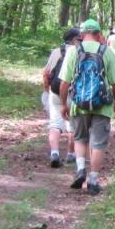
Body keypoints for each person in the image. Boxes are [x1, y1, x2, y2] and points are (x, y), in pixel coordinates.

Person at [58, 19, 115, 195]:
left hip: (78, 103)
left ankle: (80, 169)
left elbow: (64, 83)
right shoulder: (106, 51)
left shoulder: (73, 51)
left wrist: (64, 104)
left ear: (81, 34)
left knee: (80, 138)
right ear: (99, 33)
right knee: (98, 142)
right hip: (102, 104)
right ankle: (93, 180)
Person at [41, 27, 81, 166]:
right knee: (72, 125)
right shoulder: (80, 52)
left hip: (56, 92)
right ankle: (71, 154)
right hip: (74, 93)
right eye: (79, 38)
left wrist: (46, 91)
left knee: (55, 123)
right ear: (74, 39)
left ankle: (55, 153)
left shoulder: (56, 52)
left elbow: (46, 73)